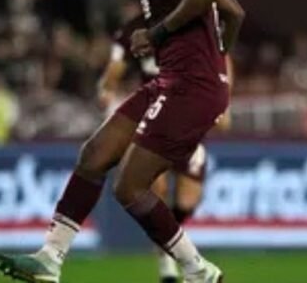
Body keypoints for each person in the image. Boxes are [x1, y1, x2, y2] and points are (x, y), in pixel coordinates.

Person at [0, 0, 245, 283]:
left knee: (130, 187)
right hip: (175, 81)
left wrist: (160, 36)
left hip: (188, 86)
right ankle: (50, 258)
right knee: (94, 155)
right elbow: (233, 11)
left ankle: (198, 272)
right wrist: (217, 60)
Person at [99, 14, 231, 283]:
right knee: (155, 191)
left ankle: (170, 244)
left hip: (188, 119)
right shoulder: (134, 28)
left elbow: (223, 56)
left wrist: (225, 99)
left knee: (187, 200)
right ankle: (168, 265)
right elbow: (114, 70)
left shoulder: (193, 21)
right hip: (154, 118)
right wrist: (108, 95)